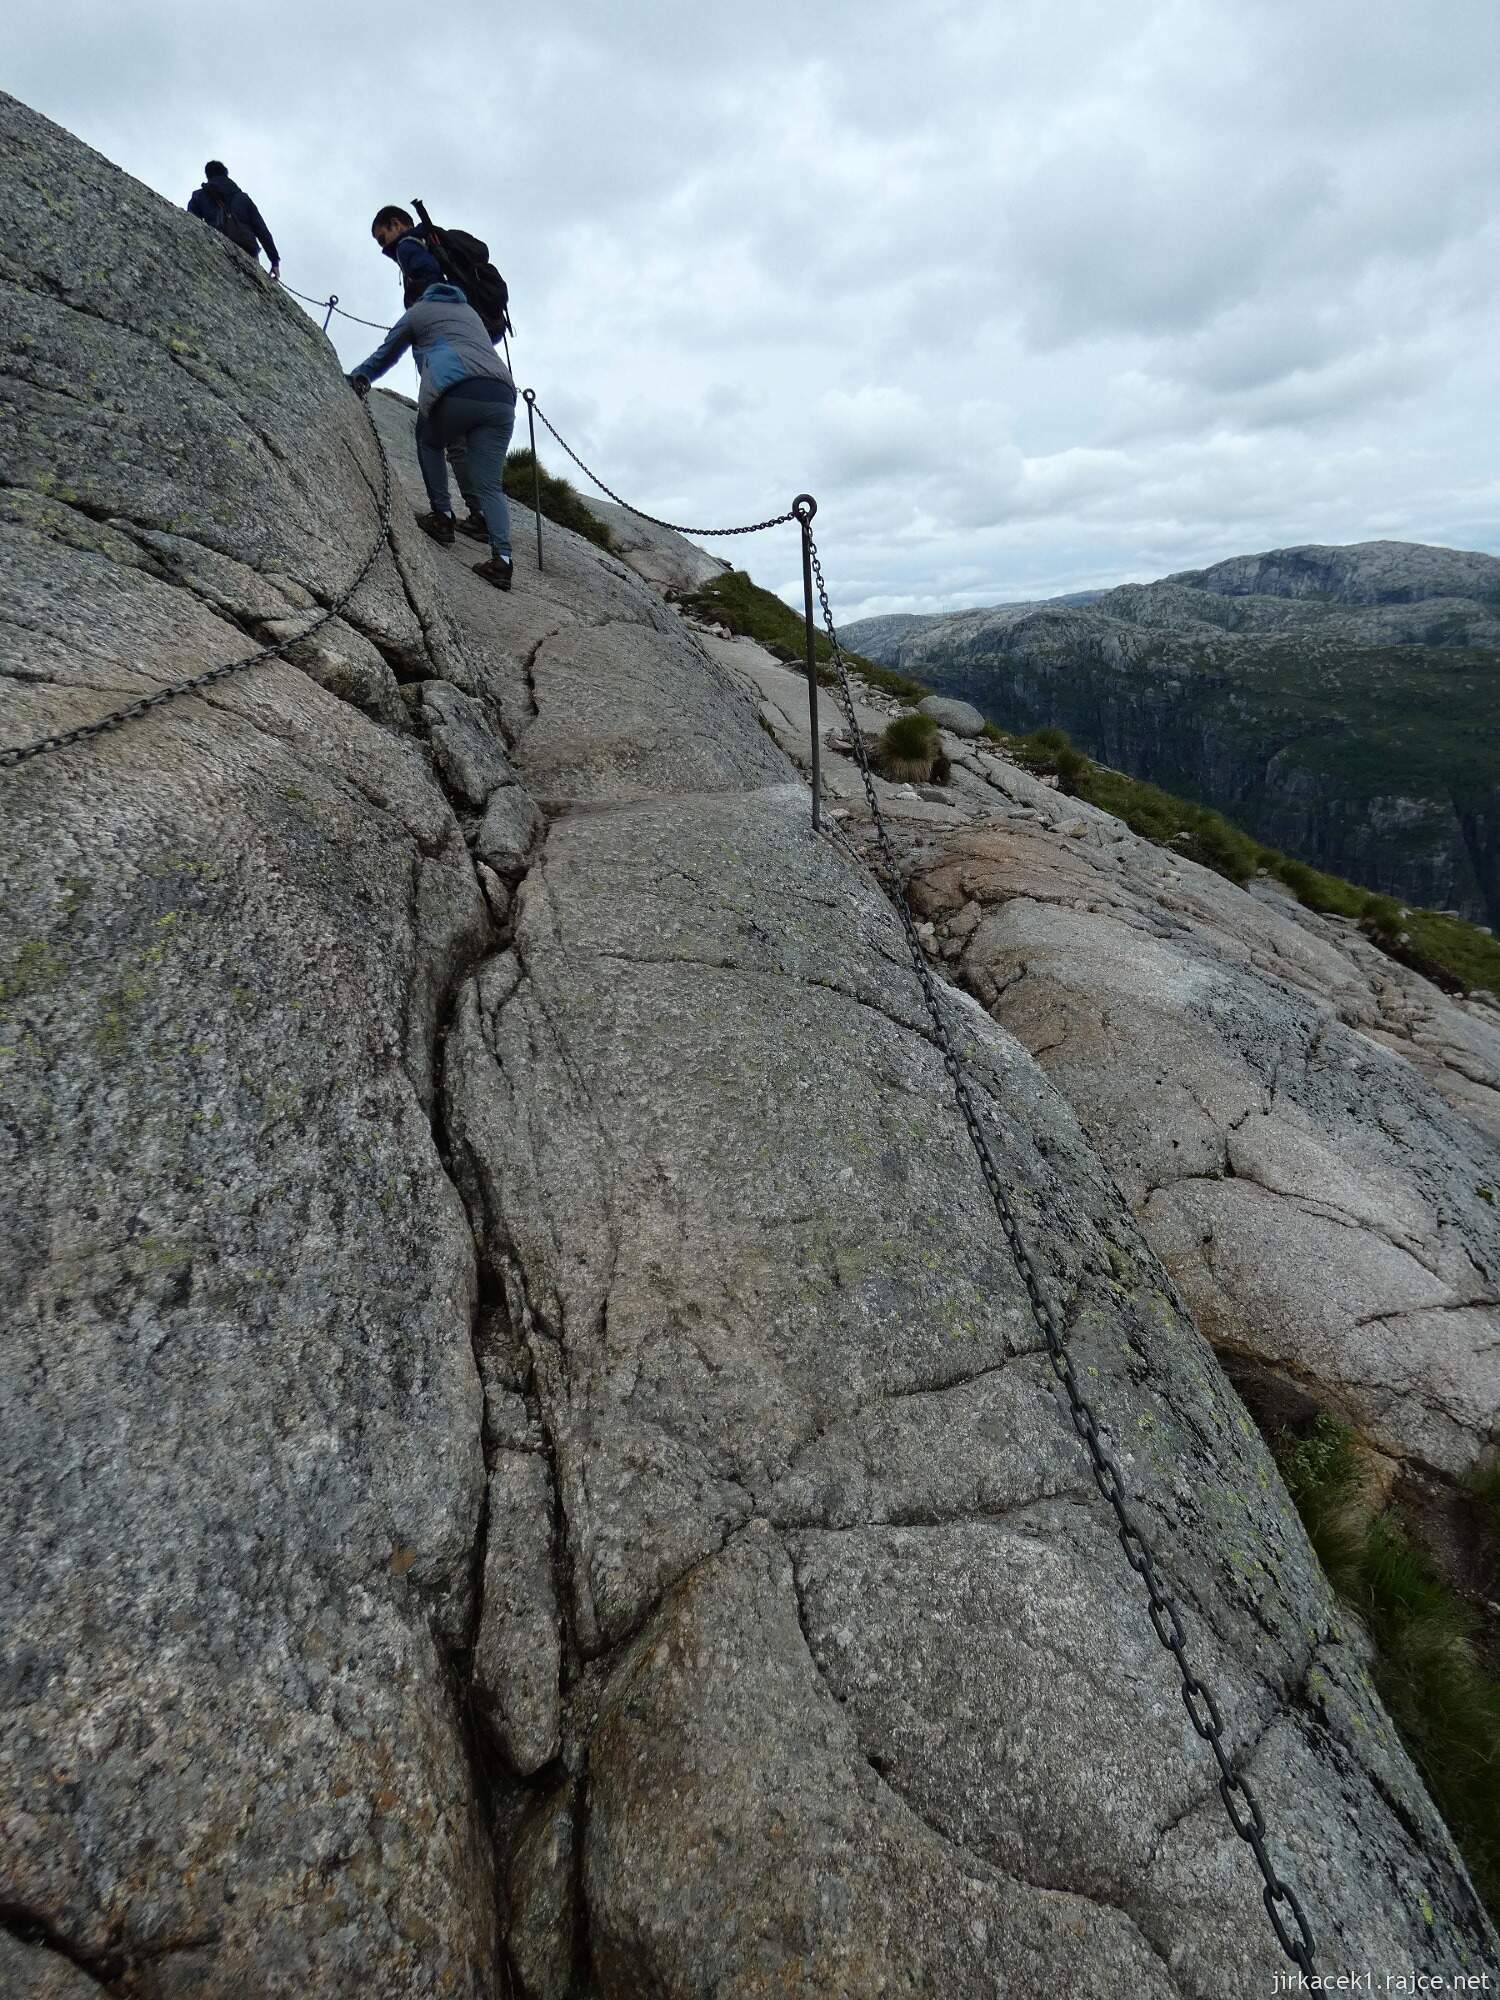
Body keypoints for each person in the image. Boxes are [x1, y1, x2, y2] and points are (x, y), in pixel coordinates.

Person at [348, 282, 517, 591]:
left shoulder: (418, 312)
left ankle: (442, 516)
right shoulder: (469, 312)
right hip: (502, 396)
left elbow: (386, 354)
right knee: (490, 484)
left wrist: (360, 376)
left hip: (457, 388)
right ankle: (502, 562)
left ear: (415, 299)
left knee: (429, 441)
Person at [370, 205, 496, 543]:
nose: (385, 248)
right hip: (473, 341)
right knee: (464, 442)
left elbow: (425, 279)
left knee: (438, 435)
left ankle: (444, 517)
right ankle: (481, 514)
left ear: (396, 224)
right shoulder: (433, 241)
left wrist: (419, 314)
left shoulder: (409, 245)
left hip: (441, 346)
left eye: (383, 238)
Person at [188, 163, 280, 279]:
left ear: (208, 176)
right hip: (248, 251)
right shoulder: (243, 198)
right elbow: (261, 229)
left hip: (216, 247)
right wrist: (274, 261)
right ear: (226, 174)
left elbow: (192, 222)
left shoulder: (199, 196)